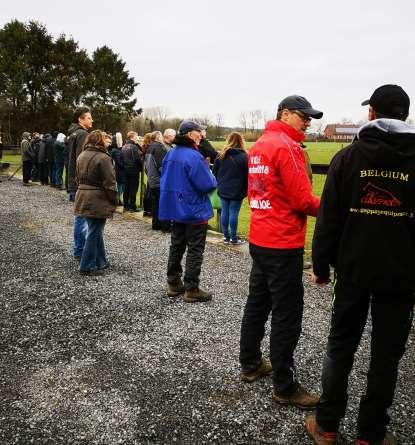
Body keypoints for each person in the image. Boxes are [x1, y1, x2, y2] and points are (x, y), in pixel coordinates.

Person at [305, 85, 415, 445]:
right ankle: (370, 434)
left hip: (352, 271)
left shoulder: (348, 158)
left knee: (340, 346)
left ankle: (327, 425)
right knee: (386, 356)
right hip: (401, 277)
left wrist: (320, 266)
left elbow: (328, 221)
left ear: (372, 114)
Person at [239, 95, 322, 409]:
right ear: (285, 114)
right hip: (283, 241)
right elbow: (303, 200)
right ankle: (285, 387)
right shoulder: (287, 146)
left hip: (260, 236)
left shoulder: (260, 144)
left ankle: (250, 364)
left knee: (257, 303)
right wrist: (337, 208)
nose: (307, 122)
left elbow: (256, 191)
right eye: (303, 116)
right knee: (287, 315)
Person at [159, 120, 217, 303]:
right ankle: (191, 288)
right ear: (191, 134)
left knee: (176, 246)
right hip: (194, 210)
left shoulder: (171, 154)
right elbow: (207, 184)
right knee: (195, 249)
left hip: (176, 209)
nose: (201, 135)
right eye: (199, 132)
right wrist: (210, 174)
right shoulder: (193, 156)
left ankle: (173, 283)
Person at [74, 130, 117, 275]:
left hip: (82, 196)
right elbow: (110, 182)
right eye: (105, 138)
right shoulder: (103, 157)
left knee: (95, 230)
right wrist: (114, 199)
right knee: (94, 231)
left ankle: (101, 261)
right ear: (99, 140)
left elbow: (77, 178)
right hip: (97, 199)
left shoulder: (82, 155)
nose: (108, 141)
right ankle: (86, 266)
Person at [66, 107, 93, 259]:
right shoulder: (82, 134)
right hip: (79, 182)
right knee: (82, 217)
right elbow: (82, 160)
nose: (91, 120)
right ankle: (80, 250)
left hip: (72, 180)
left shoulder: (73, 133)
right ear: (80, 120)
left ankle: (79, 249)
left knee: (80, 216)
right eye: (89, 118)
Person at [212, 132, 248, 244]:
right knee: (233, 213)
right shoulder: (245, 157)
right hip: (238, 190)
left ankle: (226, 237)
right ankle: (233, 238)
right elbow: (248, 175)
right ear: (241, 141)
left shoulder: (221, 155)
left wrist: (220, 182)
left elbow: (214, 172)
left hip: (223, 188)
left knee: (225, 212)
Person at [145, 131, 170, 231]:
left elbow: (146, 166)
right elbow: (162, 166)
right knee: (164, 203)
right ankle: (165, 226)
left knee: (155, 203)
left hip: (152, 179)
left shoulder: (149, 148)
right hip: (159, 180)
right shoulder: (159, 147)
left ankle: (156, 224)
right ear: (158, 137)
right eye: (161, 136)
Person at [121, 131, 142, 212]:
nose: (138, 138)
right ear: (132, 137)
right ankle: (132, 206)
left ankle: (126, 205)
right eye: (136, 136)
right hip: (133, 170)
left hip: (125, 170)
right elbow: (137, 159)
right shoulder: (133, 147)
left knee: (127, 188)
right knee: (133, 188)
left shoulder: (124, 146)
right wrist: (140, 168)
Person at [111, 132, 125, 206]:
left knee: (121, 186)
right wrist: (125, 164)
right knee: (120, 187)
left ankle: (118, 200)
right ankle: (116, 200)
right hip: (119, 172)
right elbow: (120, 162)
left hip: (120, 171)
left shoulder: (117, 150)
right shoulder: (115, 151)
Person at [141, 133, 152, 216]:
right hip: (150, 168)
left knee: (148, 189)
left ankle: (146, 209)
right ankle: (149, 209)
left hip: (146, 167)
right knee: (150, 190)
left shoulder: (144, 146)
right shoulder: (150, 147)